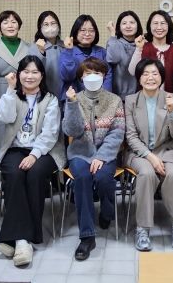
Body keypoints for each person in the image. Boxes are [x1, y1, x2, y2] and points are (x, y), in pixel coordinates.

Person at [0, 56, 64, 267]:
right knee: (15, 174)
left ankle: (14, 238)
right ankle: (23, 240)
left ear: (42, 76)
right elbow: (4, 117)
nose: (30, 76)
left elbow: (50, 134)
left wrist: (34, 155)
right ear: (19, 74)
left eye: (35, 72)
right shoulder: (12, 95)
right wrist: (10, 89)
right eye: (25, 71)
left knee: (34, 173)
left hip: (45, 150)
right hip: (15, 148)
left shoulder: (50, 100)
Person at [62, 58, 125, 261]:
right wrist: (72, 104)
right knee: (82, 178)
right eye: (87, 73)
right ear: (81, 78)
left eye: (97, 73)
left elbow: (117, 133)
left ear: (104, 76)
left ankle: (107, 211)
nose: (92, 77)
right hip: (80, 153)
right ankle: (87, 236)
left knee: (104, 178)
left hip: (106, 154)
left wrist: (101, 156)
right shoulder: (74, 98)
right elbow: (71, 131)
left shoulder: (114, 100)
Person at [124, 59, 173, 252]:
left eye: (155, 73)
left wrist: (172, 112)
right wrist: (150, 156)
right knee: (147, 174)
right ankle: (142, 228)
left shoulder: (172, 98)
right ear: (139, 78)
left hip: (168, 149)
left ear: (161, 77)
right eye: (145, 74)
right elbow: (131, 136)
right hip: (140, 152)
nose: (150, 78)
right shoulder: (130, 100)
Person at [128, 10, 173, 101]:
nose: (159, 27)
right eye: (155, 23)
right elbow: (132, 71)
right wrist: (139, 49)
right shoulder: (143, 47)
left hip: (170, 102)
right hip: (144, 101)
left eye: (163, 23)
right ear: (149, 26)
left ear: (169, 26)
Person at [58, 14, 112, 101]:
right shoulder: (67, 52)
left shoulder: (102, 52)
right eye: (83, 30)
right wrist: (69, 51)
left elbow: (108, 76)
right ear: (75, 32)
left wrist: (104, 98)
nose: (87, 34)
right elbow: (67, 77)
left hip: (99, 100)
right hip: (74, 99)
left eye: (91, 30)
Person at [0, 10, 31, 105]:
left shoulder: (29, 47)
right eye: (5, 23)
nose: (10, 26)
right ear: (0, 27)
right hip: (0, 93)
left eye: (14, 22)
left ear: (19, 26)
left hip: (24, 91)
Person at [105, 11, 142, 100]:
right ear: (119, 27)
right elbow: (113, 59)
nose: (128, 26)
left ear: (138, 25)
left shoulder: (143, 44)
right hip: (117, 96)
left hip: (139, 96)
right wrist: (113, 33)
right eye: (124, 23)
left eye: (132, 22)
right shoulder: (114, 42)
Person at [28, 11, 64, 97]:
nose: (50, 27)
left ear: (58, 26)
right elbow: (33, 71)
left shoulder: (65, 46)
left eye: (53, 23)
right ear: (40, 28)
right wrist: (41, 53)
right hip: (43, 96)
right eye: (46, 24)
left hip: (64, 95)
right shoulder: (34, 47)